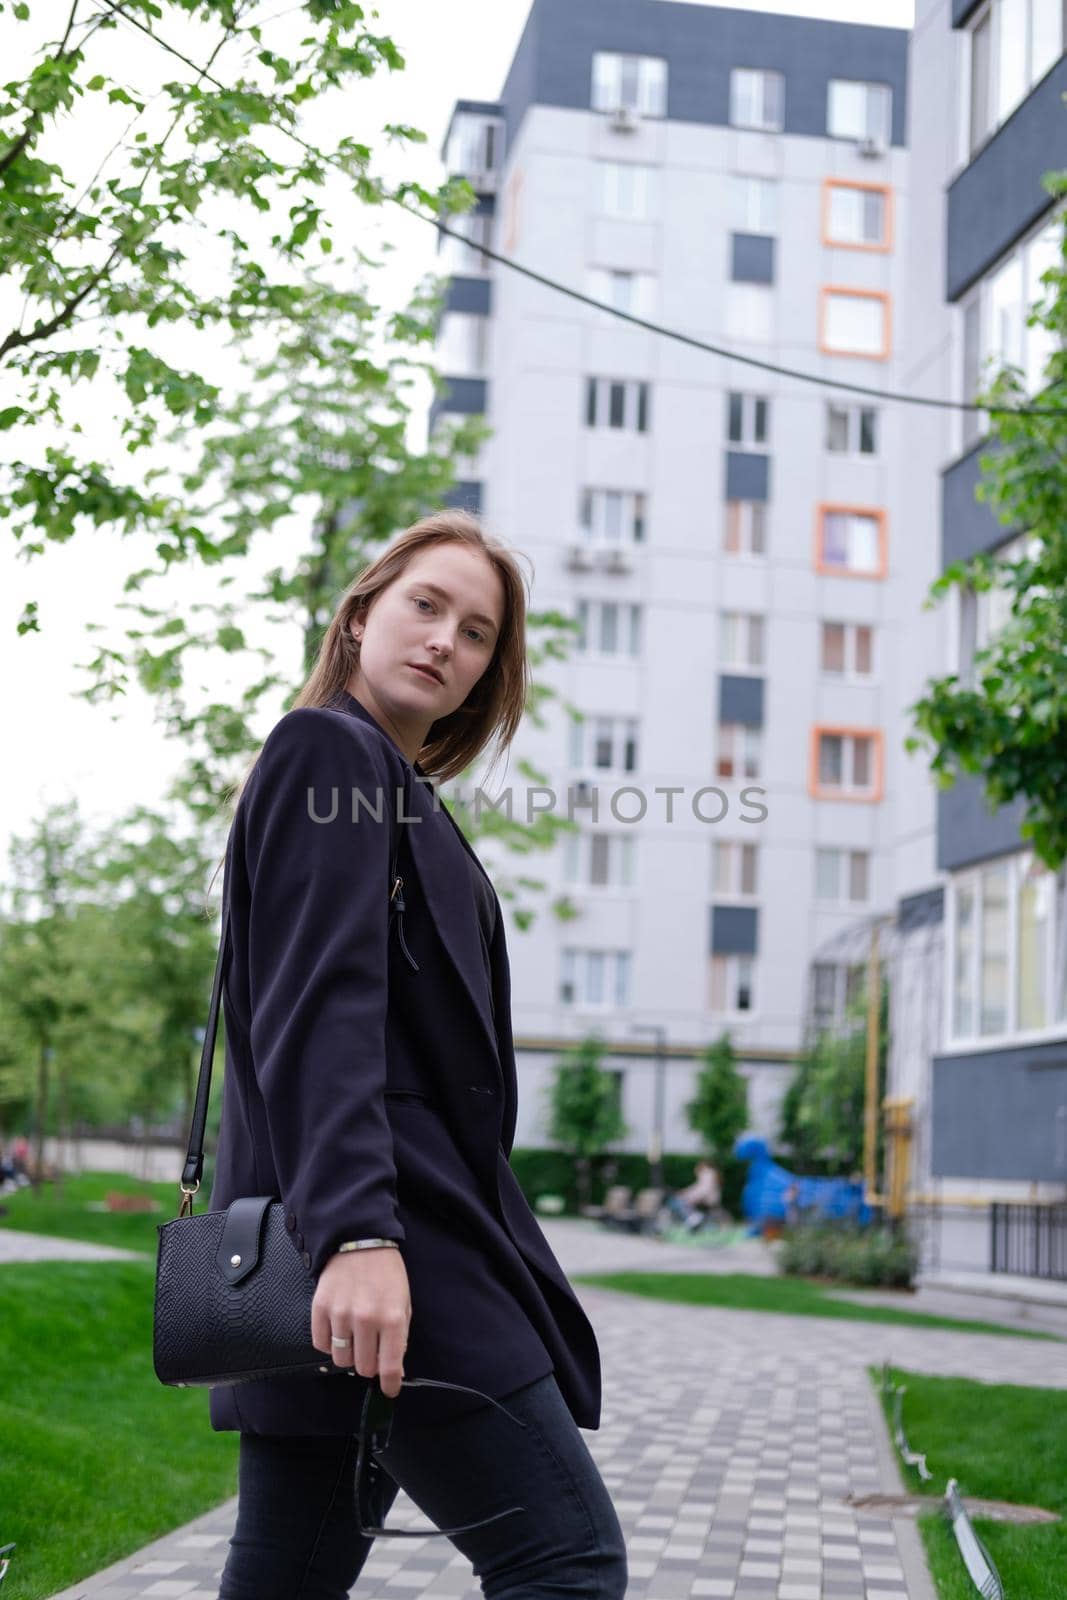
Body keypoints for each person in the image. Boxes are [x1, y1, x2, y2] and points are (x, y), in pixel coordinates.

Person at [208, 511, 627, 1600]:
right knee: (565, 1562)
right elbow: (319, 1012)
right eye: (424, 606)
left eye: (477, 632)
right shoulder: (325, 751)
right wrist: (354, 1233)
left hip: (367, 1243)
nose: (446, 640)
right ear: (358, 619)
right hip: (388, 1242)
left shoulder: (396, 791)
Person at [664, 1159, 722, 1231]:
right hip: (706, 1200)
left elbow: (703, 1190)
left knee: (678, 1203)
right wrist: (684, 1192)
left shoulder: (707, 1174)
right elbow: (697, 1188)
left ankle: (693, 1220)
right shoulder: (708, 1175)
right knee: (678, 1201)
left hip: (706, 1201)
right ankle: (692, 1220)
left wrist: (689, 1196)